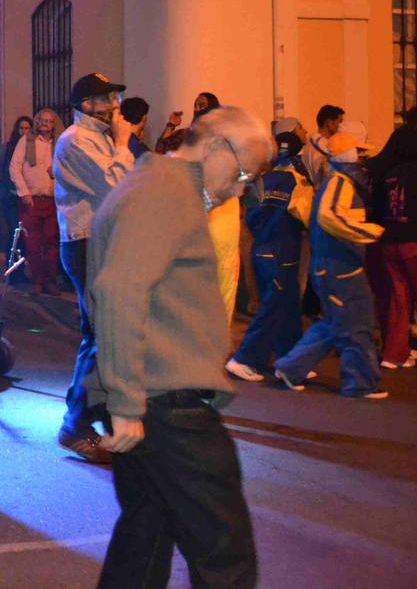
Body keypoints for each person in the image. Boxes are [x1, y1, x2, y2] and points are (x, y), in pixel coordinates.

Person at [90, 106, 270, 589]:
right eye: (243, 172)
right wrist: (126, 401)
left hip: (154, 401)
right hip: (169, 406)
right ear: (216, 147)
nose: (241, 188)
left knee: (144, 543)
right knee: (223, 553)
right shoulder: (164, 192)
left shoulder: (155, 186)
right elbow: (119, 291)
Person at [54, 72, 135, 463]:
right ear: (85, 104)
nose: (114, 105)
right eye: (106, 98)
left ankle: (99, 415)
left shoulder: (102, 139)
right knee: (102, 333)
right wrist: (122, 142)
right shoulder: (73, 141)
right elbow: (114, 185)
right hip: (86, 243)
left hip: (106, 241)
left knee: (106, 332)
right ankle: (76, 423)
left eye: (115, 97)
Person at [274, 126, 387, 398]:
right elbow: (329, 216)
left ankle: (290, 368)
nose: (361, 157)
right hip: (340, 268)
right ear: (348, 155)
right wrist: (366, 232)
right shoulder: (340, 184)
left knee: (335, 325)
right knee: (354, 326)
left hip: (338, 267)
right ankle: (359, 384)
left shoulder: (337, 182)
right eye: (358, 152)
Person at [225, 131, 313, 381]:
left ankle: (291, 358)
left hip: (261, 251)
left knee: (286, 306)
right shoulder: (298, 182)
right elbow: (305, 217)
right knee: (274, 309)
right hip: (284, 253)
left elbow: (250, 216)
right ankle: (244, 358)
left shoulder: (261, 180)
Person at [366, 127, 417, 368]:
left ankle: (394, 354)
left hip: (389, 242)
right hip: (416, 241)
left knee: (399, 301)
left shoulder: (389, 172)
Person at [10, 109, 64, 295]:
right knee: (32, 242)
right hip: (31, 201)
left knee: (52, 241)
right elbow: (14, 167)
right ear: (37, 121)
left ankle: (50, 281)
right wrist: (24, 193)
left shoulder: (60, 144)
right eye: (42, 120)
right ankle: (37, 280)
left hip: (53, 200)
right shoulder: (26, 141)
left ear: (54, 124)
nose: (45, 124)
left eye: (49, 121)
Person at [0, 117, 30, 263]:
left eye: (27, 128)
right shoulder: (7, 148)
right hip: (11, 196)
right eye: (21, 128)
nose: (24, 131)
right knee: (14, 233)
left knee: (26, 235)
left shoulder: (32, 148)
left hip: (28, 198)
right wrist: (3, 192)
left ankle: (23, 270)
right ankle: (12, 270)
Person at [153, 91, 220, 154]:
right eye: (195, 106)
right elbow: (159, 151)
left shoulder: (219, 137)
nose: (196, 109)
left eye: (201, 106)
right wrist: (171, 124)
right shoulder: (184, 134)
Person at [301, 104, 345, 187]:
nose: (341, 126)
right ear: (329, 123)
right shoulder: (325, 147)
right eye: (339, 122)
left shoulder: (310, 143)